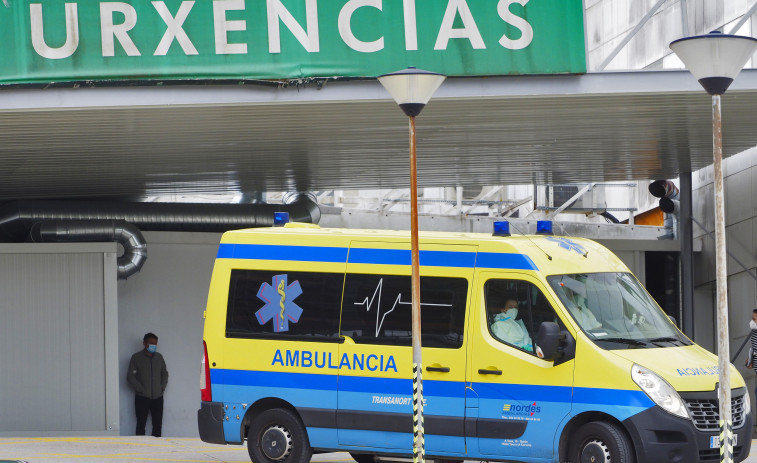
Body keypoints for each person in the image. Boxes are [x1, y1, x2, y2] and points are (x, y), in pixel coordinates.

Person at [127, 332, 169, 437]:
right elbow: (130, 377)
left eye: (155, 344)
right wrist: (140, 389)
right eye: (151, 343)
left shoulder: (159, 358)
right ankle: (141, 449)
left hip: (158, 397)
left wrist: (162, 387)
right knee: (141, 425)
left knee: (157, 425)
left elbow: (164, 373)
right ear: (145, 343)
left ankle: (157, 449)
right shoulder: (136, 358)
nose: (153, 346)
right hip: (142, 398)